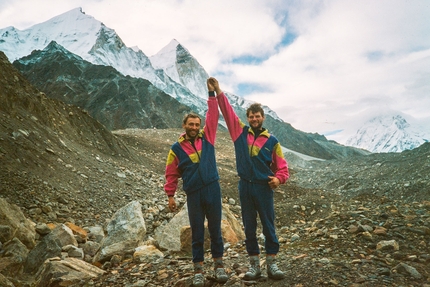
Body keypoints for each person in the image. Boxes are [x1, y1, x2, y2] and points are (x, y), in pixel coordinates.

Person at [209, 77, 289, 280]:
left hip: (263, 187)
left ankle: (272, 264)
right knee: (250, 227)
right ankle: (255, 266)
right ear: (248, 118)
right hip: (245, 186)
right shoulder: (239, 133)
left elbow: (282, 167)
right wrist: (218, 90)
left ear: (263, 118)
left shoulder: (272, 141)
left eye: (257, 116)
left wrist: (279, 179)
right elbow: (227, 112)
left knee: (268, 225)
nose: (254, 119)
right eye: (251, 116)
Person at [164, 79, 228, 286]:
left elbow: (213, 116)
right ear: (184, 126)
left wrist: (212, 94)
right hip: (194, 194)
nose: (194, 127)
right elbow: (171, 173)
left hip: (212, 189)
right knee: (197, 232)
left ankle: (219, 266)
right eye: (190, 124)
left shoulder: (207, 137)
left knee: (216, 231)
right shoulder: (176, 148)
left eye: (196, 125)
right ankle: (198, 269)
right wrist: (170, 195)